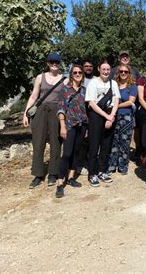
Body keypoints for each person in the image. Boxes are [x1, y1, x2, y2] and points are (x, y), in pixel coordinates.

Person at [23, 52, 66, 189]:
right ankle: (38, 174)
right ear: (47, 63)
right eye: (52, 61)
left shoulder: (64, 79)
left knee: (56, 142)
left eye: (57, 62)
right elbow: (33, 97)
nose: (54, 64)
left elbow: (66, 100)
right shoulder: (40, 77)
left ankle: (53, 173)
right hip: (40, 111)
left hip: (56, 111)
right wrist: (26, 113)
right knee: (38, 142)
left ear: (59, 64)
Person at [85, 60, 120, 187]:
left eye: (108, 69)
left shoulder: (113, 83)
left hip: (110, 115)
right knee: (94, 145)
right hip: (96, 116)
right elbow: (92, 103)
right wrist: (107, 117)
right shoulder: (93, 83)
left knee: (106, 145)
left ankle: (102, 171)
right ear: (99, 69)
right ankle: (92, 173)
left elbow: (116, 99)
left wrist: (112, 117)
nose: (106, 72)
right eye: (103, 69)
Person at [55, 64, 88, 198]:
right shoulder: (65, 90)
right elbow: (61, 109)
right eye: (75, 72)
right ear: (71, 74)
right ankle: (59, 183)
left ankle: (71, 178)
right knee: (67, 153)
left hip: (82, 125)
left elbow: (87, 109)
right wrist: (62, 126)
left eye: (80, 72)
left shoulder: (85, 90)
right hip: (69, 125)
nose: (77, 74)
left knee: (76, 153)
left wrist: (87, 127)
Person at [108, 65, 137, 175]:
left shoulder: (132, 87)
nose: (123, 73)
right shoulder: (113, 85)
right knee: (113, 141)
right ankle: (112, 164)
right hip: (114, 116)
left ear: (129, 73)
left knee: (124, 142)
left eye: (126, 71)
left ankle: (123, 165)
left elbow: (130, 102)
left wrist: (116, 106)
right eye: (121, 71)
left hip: (126, 117)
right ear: (118, 72)